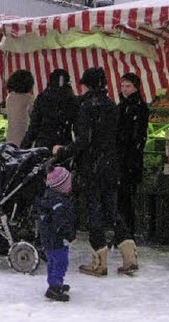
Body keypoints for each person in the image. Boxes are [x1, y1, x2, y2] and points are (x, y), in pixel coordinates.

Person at [53, 67, 138, 277]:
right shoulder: (112, 106)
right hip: (111, 165)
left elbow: (84, 140)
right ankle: (130, 258)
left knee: (94, 213)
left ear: (87, 85)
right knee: (112, 210)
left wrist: (63, 151)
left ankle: (99, 264)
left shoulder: (86, 106)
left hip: (91, 167)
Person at [36, 166, 77, 302]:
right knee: (61, 262)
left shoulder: (50, 197)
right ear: (62, 185)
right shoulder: (59, 202)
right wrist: (70, 236)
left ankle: (54, 282)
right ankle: (54, 287)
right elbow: (61, 222)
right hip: (57, 238)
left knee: (52, 261)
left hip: (49, 238)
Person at [117, 73, 149, 236]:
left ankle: (126, 232)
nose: (124, 89)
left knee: (126, 198)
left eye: (128, 86)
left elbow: (134, 136)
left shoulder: (137, 107)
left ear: (136, 87)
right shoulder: (125, 105)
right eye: (122, 86)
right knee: (124, 198)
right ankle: (124, 232)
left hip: (129, 160)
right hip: (128, 159)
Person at [20, 69, 78, 150]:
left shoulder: (42, 98)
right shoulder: (72, 100)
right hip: (63, 144)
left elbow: (34, 126)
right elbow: (77, 127)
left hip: (43, 145)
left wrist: (24, 148)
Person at [3, 69, 35, 147]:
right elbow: (34, 116)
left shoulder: (9, 97)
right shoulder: (28, 98)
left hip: (10, 137)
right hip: (24, 138)